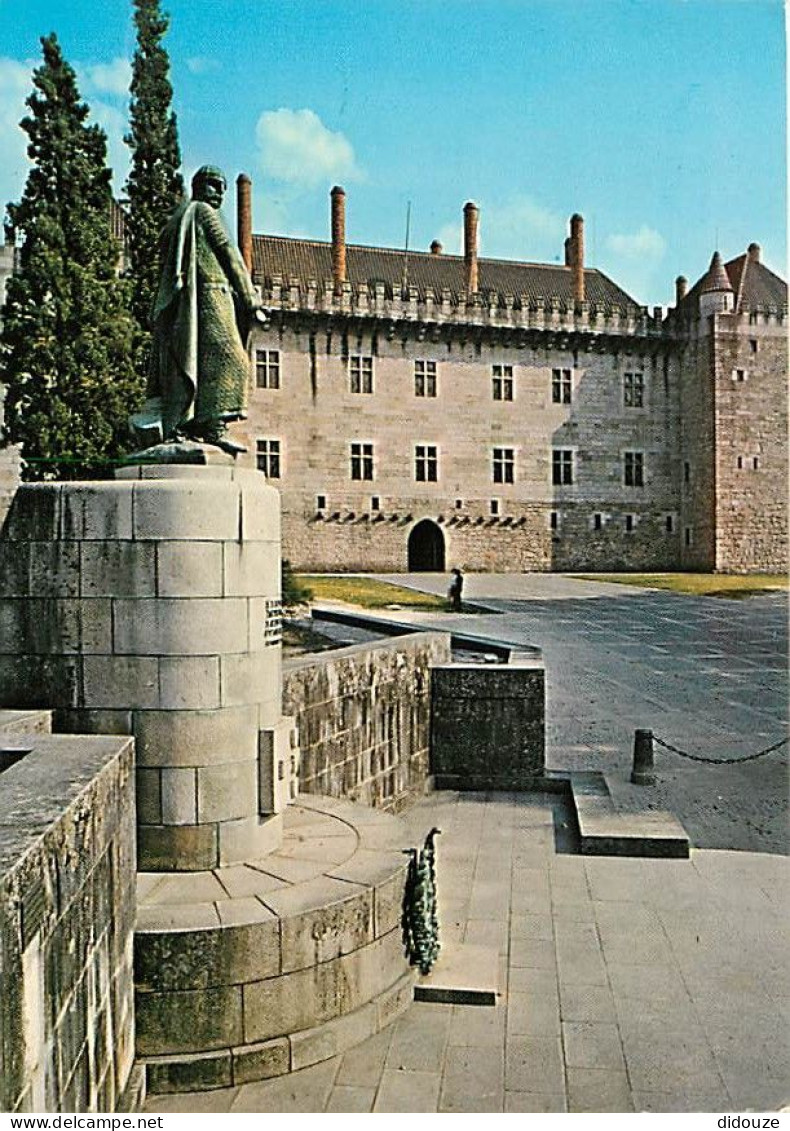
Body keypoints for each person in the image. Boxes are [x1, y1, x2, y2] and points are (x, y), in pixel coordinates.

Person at [146, 165, 264, 448]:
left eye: (222, 188)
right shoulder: (204, 213)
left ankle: (197, 424)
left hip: (192, 302)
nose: (219, 193)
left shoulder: (180, 218)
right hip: (211, 295)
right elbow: (229, 253)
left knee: (197, 362)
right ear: (198, 185)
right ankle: (213, 428)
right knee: (232, 359)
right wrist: (251, 299)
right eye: (213, 185)